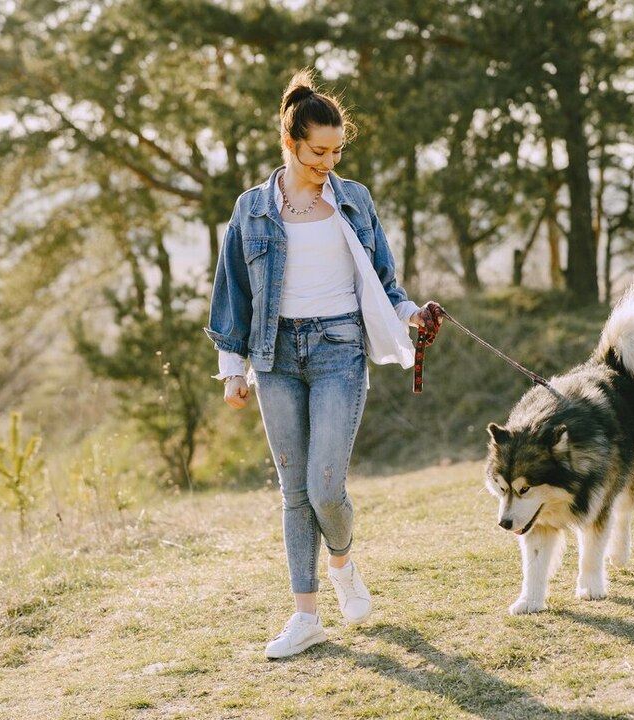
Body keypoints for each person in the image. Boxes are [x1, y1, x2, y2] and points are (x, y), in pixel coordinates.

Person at [205, 68, 443, 659]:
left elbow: (384, 279)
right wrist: (232, 368)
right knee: (293, 492)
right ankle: (305, 615)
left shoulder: (354, 199)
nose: (328, 162)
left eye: (337, 150)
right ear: (289, 143)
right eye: (317, 152)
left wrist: (411, 313)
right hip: (275, 357)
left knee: (325, 488)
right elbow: (231, 290)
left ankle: (343, 563)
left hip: (339, 350)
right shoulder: (252, 209)